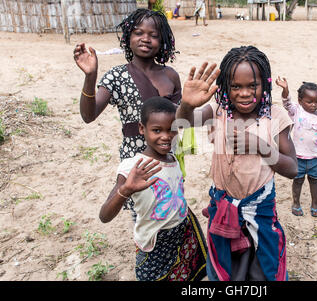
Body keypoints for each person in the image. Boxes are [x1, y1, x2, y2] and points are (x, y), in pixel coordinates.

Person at [176, 46, 298, 281]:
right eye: (236, 86)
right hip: (223, 207)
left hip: (259, 212)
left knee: (261, 270)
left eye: (253, 85)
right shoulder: (217, 111)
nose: (244, 93)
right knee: (226, 270)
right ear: (225, 87)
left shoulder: (275, 117)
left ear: (265, 84)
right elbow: (182, 122)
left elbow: (292, 168)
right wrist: (187, 105)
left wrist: (260, 146)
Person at [74, 9, 181, 220]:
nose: (145, 39)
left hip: (167, 153)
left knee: (169, 207)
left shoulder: (170, 75)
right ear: (128, 37)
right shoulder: (117, 76)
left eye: (153, 35)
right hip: (136, 159)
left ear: (163, 40)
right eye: (138, 33)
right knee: (143, 212)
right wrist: (90, 76)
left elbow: (181, 118)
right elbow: (89, 115)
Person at [99, 97, 208, 281]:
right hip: (155, 243)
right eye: (157, 130)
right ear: (142, 129)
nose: (166, 136)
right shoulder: (133, 167)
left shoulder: (173, 158)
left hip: (181, 233)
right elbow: (104, 215)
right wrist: (126, 190)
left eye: (172, 129)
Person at [275, 77, 317, 217]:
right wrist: (285, 89)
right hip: (298, 157)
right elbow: (287, 103)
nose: (313, 105)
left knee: (314, 181)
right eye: (309, 101)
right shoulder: (297, 111)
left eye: (316, 101)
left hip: (316, 157)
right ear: (300, 101)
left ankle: (315, 204)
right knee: (298, 181)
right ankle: (296, 203)